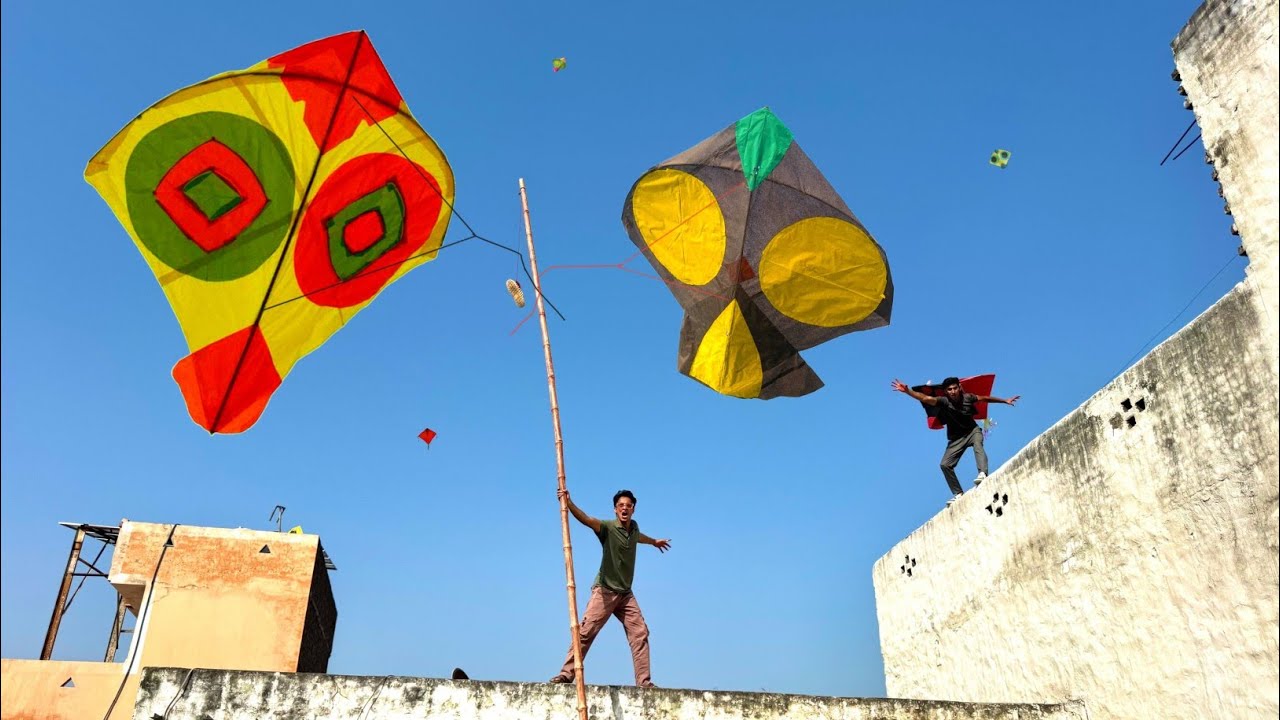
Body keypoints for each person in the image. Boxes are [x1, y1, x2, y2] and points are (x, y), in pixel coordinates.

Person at [549, 488, 671, 688]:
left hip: (625, 594)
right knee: (586, 632)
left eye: (628, 506)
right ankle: (566, 674)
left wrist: (654, 542)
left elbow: (639, 538)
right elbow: (587, 520)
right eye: (621, 506)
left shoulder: (634, 528)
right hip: (604, 591)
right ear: (615, 509)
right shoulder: (608, 527)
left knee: (640, 632)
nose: (625, 509)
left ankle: (644, 682)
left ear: (633, 509)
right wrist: (569, 503)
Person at [891, 377, 1020, 507]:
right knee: (945, 464)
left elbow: (985, 398)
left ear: (959, 388)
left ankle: (982, 473)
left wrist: (1004, 401)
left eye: (954, 388)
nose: (953, 392)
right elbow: (925, 398)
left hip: (972, 431)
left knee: (978, 444)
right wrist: (907, 391)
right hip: (956, 439)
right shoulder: (944, 401)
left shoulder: (968, 398)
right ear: (946, 392)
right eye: (949, 390)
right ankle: (958, 493)